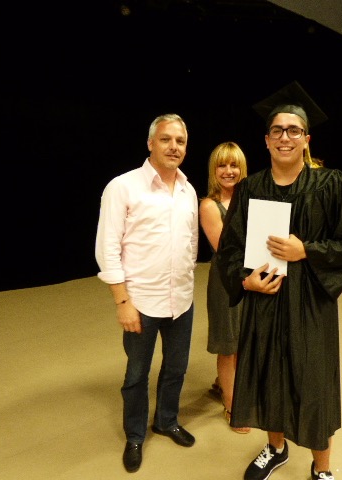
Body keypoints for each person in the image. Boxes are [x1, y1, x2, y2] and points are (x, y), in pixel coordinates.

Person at [216, 81, 342, 480]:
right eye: (277, 131)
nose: (285, 137)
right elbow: (229, 250)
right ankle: (276, 448)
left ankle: (322, 468)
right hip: (264, 299)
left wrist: (307, 250)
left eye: (294, 130)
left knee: (313, 382)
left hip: (311, 302)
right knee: (268, 373)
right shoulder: (250, 188)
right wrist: (245, 282)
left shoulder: (331, 185)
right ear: (266, 140)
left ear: (306, 140)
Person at [95, 113, 199, 474]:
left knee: (176, 368)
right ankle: (135, 435)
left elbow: (191, 243)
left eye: (180, 141)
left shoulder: (188, 190)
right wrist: (122, 302)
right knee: (137, 375)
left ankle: (166, 420)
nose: (174, 147)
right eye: (166, 139)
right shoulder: (122, 187)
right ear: (151, 143)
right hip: (140, 302)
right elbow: (107, 248)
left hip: (181, 300)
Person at [199, 141, 250, 434]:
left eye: (234, 165)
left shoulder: (250, 200)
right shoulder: (209, 205)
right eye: (222, 165)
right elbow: (225, 248)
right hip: (226, 281)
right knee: (229, 345)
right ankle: (231, 404)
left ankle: (224, 384)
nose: (228, 171)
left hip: (251, 278)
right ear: (213, 170)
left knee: (244, 340)